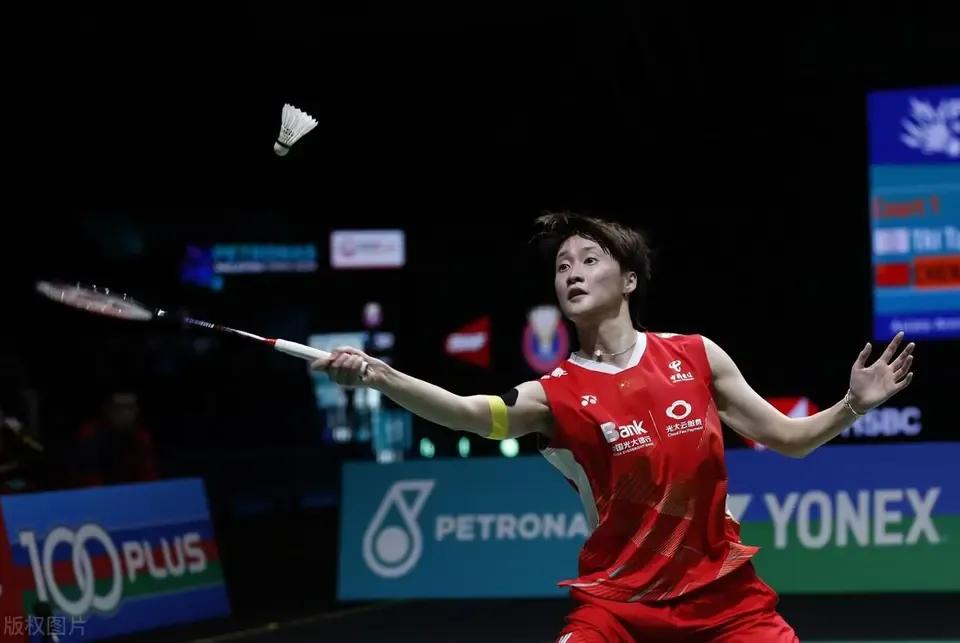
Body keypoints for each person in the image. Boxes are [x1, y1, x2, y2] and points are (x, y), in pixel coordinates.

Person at [312, 212, 915, 642]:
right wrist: (380, 377)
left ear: (628, 280)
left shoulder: (695, 356)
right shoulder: (554, 394)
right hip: (619, 607)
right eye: (561, 266)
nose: (571, 273)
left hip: (725, 601)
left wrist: (852, 405)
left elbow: (791, 439)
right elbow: (469, 412)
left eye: (588, 259)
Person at [73, 389, 160, 487]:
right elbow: (90, 478)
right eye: (120, 408)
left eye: (130, 407)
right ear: (108, 409)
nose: (126, 413)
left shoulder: (141, 434)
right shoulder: (91, 433)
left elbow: (149, 472)